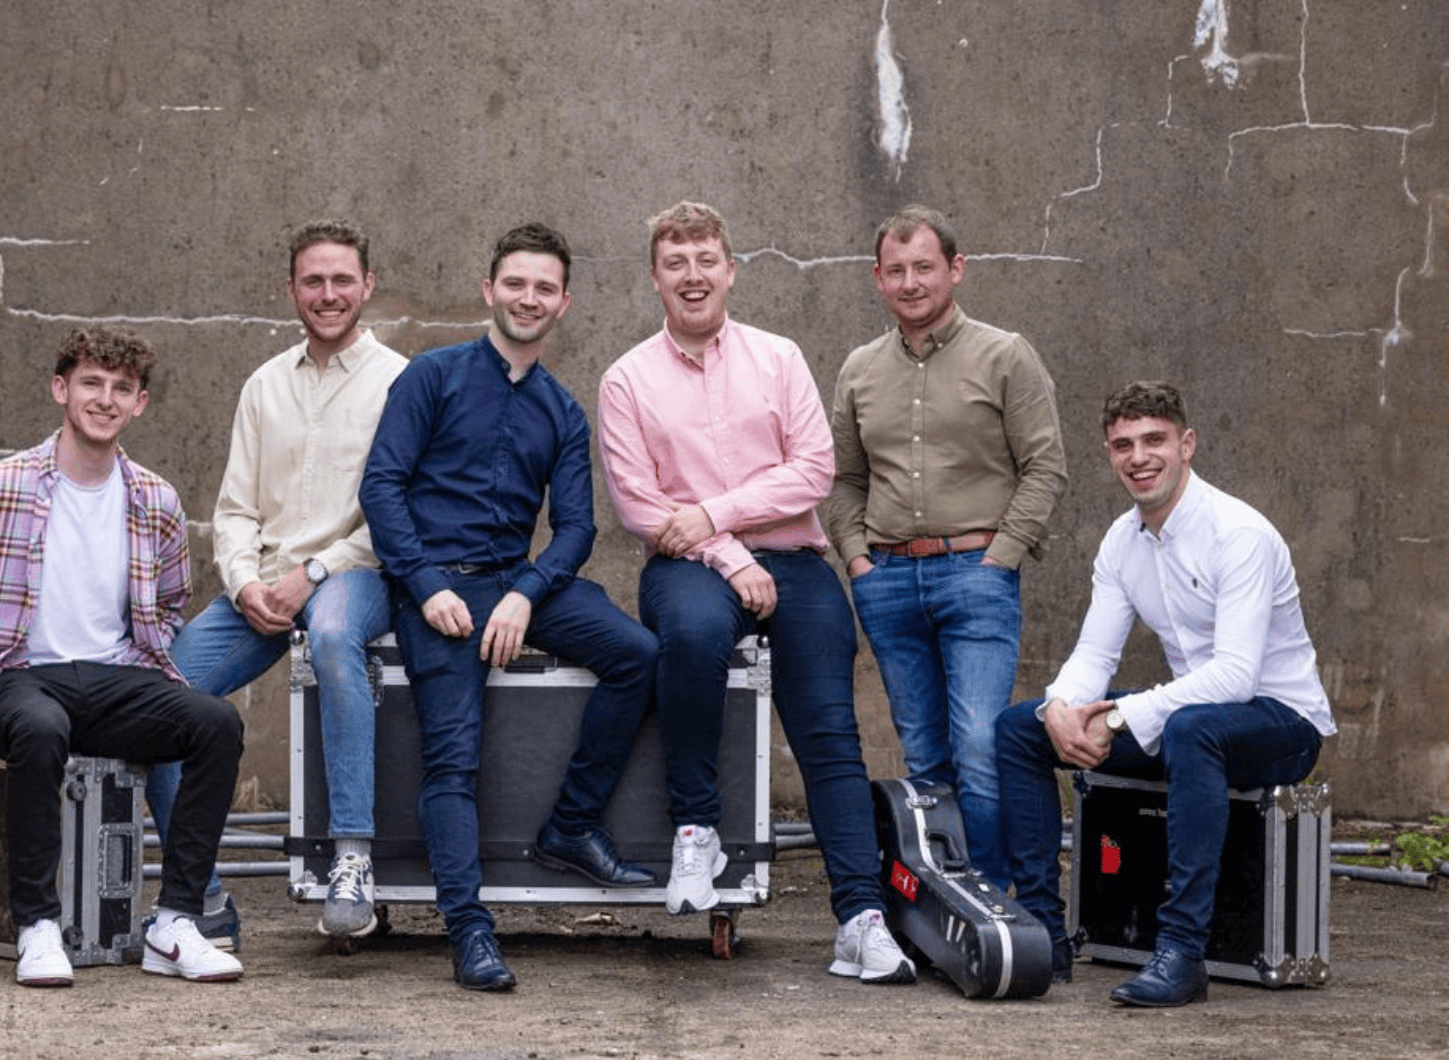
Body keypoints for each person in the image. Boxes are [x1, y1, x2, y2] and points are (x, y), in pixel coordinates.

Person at [598, 200, 915, 985]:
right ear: (655, 278)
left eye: (707, 259)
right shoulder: (626, 379)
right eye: (677, 263)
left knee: (830, 730)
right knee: (695, 638)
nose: (693, 275)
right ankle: (695, 833)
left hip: (794, 562)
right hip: (687, 568)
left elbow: (812, 472)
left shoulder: (779, 358)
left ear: (731, 270)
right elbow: (640, 506)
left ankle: (861, 920)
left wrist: (711, 512)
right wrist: (726, 551)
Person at [0, 326, 244, 987]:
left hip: (113, 680)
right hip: (18, 681)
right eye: (90, 383)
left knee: (215, 723)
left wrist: (144, 663)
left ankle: (173, 925)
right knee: (42, 725)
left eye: (121, 389)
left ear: (139, 403)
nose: (105, 399)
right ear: (61, 389)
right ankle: (38, 925)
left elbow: (170, 604)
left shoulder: (156, 500)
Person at [359, 223, 660, 992]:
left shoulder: (563, 411)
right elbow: (382, 488)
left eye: (545, 288)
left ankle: (570, 826)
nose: (529, 299)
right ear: (489, 289)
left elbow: (580, 527)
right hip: (437, 590)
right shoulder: (430, 376)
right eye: (516, 284)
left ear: (564, 303)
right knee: (451, 760)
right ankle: (469, 930)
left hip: (516, 584)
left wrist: (527, 592)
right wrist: (427, 589)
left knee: (639, 655)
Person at [996, 381, 1333, 1005]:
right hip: (1192, 718)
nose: (1138, 457)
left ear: (1187, 444)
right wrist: (1062, 711)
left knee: (1190, 727)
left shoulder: (1239, 534)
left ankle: (1181, 954)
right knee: (1020, 727)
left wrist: (1122, 716)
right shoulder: (1122, 541)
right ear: (1109, 454)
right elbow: (1096, 654)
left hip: (1282, 724)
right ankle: (1045, 936)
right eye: (1123, 444)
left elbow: (1234, 676)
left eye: (1154, 440)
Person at [145, 220, 407, 947]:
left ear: (368, 286)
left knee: (329, 632)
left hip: (356, 573)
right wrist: (243, 584)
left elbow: (399, 518)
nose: (328, 294)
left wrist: (312, 573)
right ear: (292, 289)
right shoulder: (263, 385)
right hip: (262, 589)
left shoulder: (403, 381)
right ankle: (203, 899)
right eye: (313, 281)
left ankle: (352, 858)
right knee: (160, 698)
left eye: (342, 280)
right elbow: (234, 510)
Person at [823, 204, 1067, 886]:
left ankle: (994, 901)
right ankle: (945, 905)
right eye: (895, 270)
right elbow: (843, 480)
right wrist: (858, 560)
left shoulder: (1005, 354)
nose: (910, 283)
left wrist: (1001, 558)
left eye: (924, 267)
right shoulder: (860, 370)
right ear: (877, 278)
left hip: (977, 575)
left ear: (955, 270)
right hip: (889, 581)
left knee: (981, 749)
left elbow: (1046, 467)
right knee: (925, 756)